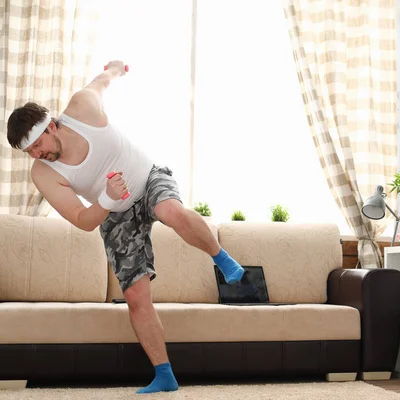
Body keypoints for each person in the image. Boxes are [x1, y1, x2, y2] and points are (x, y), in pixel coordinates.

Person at [6, 60, 245, 394]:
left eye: (37, 145)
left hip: (146, 178)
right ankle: (165, 375)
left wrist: (115, 69)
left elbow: (102, 81)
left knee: (169, 210)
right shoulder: (43, 174)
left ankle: (220, 257)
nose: (36, 154)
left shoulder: (82, 108)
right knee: (135, 296)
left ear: (51, 127)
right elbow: (82, 220)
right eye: (28, 151)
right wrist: (106, 197)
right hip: (113, 213)